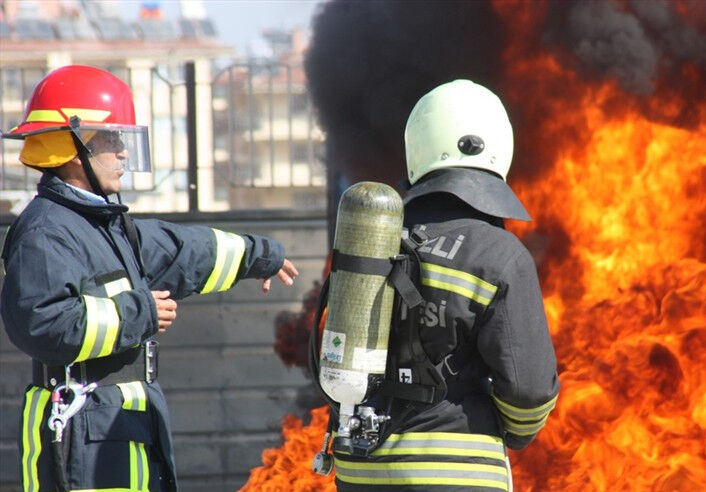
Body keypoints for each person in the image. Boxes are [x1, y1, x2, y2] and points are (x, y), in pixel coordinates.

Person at [0, 65, 299, 492]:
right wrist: (140, 313)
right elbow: (42, 325)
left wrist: (262, 256)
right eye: (111, 139)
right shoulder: (47, 231)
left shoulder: (102, 224)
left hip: (116, 425)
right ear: (72, 145)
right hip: (82, 436)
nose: (123, 152)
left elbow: (183, 251)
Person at [330, 79, 560, 491]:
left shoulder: (373, 239)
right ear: (499, 148)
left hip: (359, 469)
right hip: (455, 472)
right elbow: (529, 392)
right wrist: (516, 431)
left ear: (417, 148)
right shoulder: (499, 254)